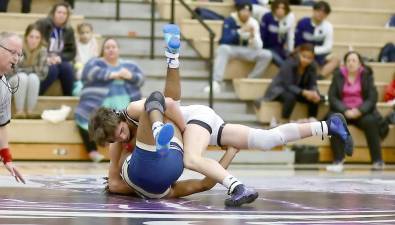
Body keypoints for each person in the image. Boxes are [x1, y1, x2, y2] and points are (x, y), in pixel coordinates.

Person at [90, 24, 354, 206]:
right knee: (264, 140)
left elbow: (169, 103)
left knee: (191, 156)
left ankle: (236, 187)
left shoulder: (134, 111)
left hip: (189, 119)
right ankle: (328, 126)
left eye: (122, 131)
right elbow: (200, 185)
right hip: (199, 121)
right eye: (117, 139)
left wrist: (180, 127)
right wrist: (229, 152)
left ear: (122, 119)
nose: (122, 138)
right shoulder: (121, 145)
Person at [75, 37, 144, 162]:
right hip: (98, 102)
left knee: (127, 120)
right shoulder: (95, 63)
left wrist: (130, 76)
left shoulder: (129, 65)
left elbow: (140, 79)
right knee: (85, 115)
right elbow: (88, 73)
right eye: (107, 47)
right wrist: (113, 74)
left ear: (118, 50)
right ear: (103, 50)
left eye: (113, 47)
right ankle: (93, 151)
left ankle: (130, 152)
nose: (111, 50)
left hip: (125, 101)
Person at [326, 51, 385, 172]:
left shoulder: (366, 75)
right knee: (334, 120)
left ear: (359, 63)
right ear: (345, 63)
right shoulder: (338, 75)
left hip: (361, 112)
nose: (351, 63)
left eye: (354, 61)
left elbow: (372, 97)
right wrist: (345, 110)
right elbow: (332, 97)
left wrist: (360, 110)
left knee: (371, 121)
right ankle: (338, 160)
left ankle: (377, 160)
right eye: (348, 60)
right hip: (343, 111)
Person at [203, 0, 272, 93]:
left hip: (248, 50)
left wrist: (254, 37)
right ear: (238, 11)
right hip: (233, 49)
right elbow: (224, 40)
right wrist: (240, 31)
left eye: (248, 11)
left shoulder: (253, 23)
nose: (245, 14)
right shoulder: (230, 20)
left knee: (267, 54)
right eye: (243, 11)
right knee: (222, 49)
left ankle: (250, 80)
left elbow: (259, 47)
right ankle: (216, 82)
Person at [257, 43, 322, 123]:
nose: (306, 60)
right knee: (290, 96)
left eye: (309, 58)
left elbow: (313, 83)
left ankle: (312, 121)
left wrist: (314, 92)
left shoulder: (312, 66)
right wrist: (304, 92)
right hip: (280, 90)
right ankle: (284, 120)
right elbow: (288, 85)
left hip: (299, 91)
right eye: (304, 56)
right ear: (299, 54)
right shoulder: (289, 63)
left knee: (314, 97)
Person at [0, 32, 26, 183]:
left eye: (19, 54)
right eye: (12, 52)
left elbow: (1, 125)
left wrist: (7, 159)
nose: (16, 58)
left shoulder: (5, 88)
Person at [36, 2, 76, 96]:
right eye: (59, 12)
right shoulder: (42, 24)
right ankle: (37, 94)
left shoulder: (69, 29)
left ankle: (68, 98)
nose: (61, 15)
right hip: (43, 58)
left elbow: (71, 51)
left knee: (67, 68)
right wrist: (46, 58)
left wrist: (60, 58)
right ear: (53, 13)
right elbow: (35, 43)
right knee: (52, 70)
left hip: (58, 59)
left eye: (64, 13)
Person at [9, 23, 48, 119]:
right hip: (11, 82)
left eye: (37, 37)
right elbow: (13, 70)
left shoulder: (43, 51)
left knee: (33, 77)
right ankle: (19, 111)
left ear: (41, 39)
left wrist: (24, 69)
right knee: (22, 77)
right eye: (31, 37)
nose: (34, 40)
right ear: (26, 37)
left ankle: (30, 111)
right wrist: (32, 69)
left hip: (31, 81)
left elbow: (42, 73)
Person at [294, 1, 339, 79]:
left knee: (335, 59)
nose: (321, 14)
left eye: (324, 13)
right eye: (319, 11)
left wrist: (314, 51)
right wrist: (307, 52)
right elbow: (297, 42)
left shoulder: (328, 26)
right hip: (303, 52)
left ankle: (320, 77)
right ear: (313, 11)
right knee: (307, 60)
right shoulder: (303, 22)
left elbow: (328, 47)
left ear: (326, 15)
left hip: (319, 53)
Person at [260, 0, 295, 66]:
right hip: (267, 48)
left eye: (283, 8)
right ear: (274, 9)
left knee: (294, 60)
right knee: (281, 63)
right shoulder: (267, 17)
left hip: (280, 48)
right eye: (278, 8)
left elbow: (291, 36)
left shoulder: (290, 17)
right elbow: (262, 36)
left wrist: (290, 51)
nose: (280, 10)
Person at [73, 22, 99, 96]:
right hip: (80, 65)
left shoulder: (93, 43)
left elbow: (95, 57)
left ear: (91, 33)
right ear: (78, 34)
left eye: (87, 32)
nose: (85, 35)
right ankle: (79, 87)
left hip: (91, 65)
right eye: (82, 33)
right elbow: (76, 57)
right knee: (79, 72)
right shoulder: (76, 43)